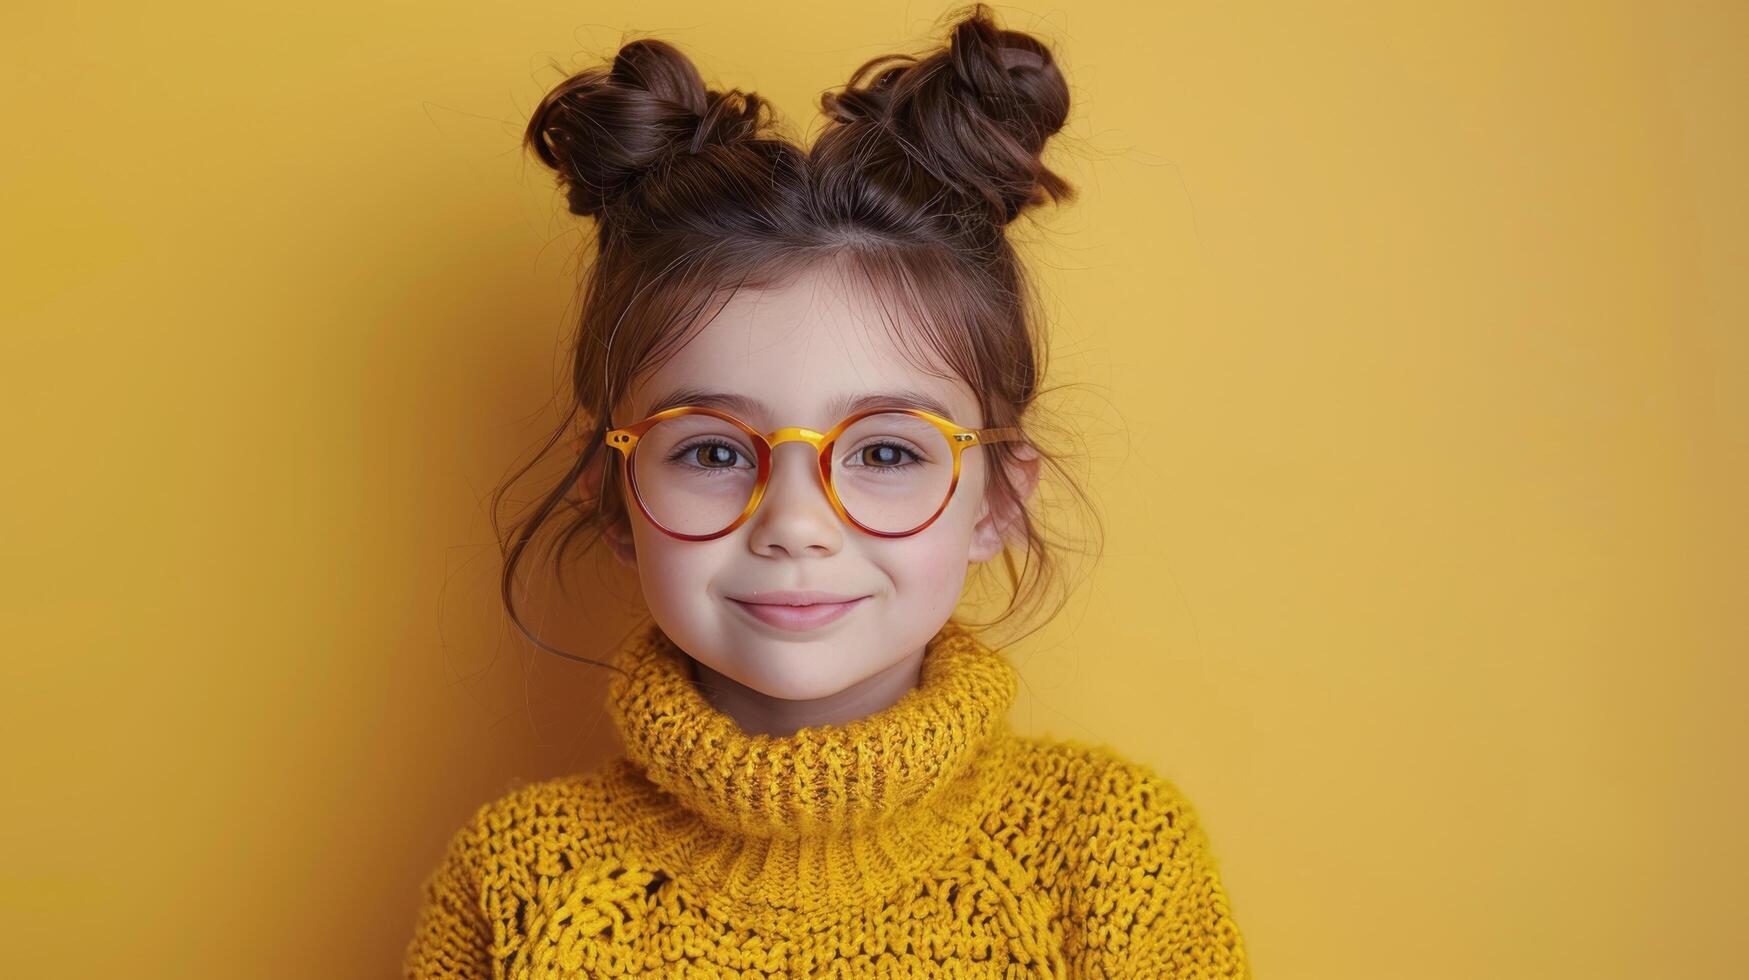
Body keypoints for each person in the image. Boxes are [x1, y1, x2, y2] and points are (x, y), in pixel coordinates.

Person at [404, 5, 1250, 976]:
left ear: (997, 497)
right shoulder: (516, 882)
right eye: (714, 452)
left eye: (887, 452)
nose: (796, 523)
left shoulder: (1105, 854)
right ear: (615, 496)